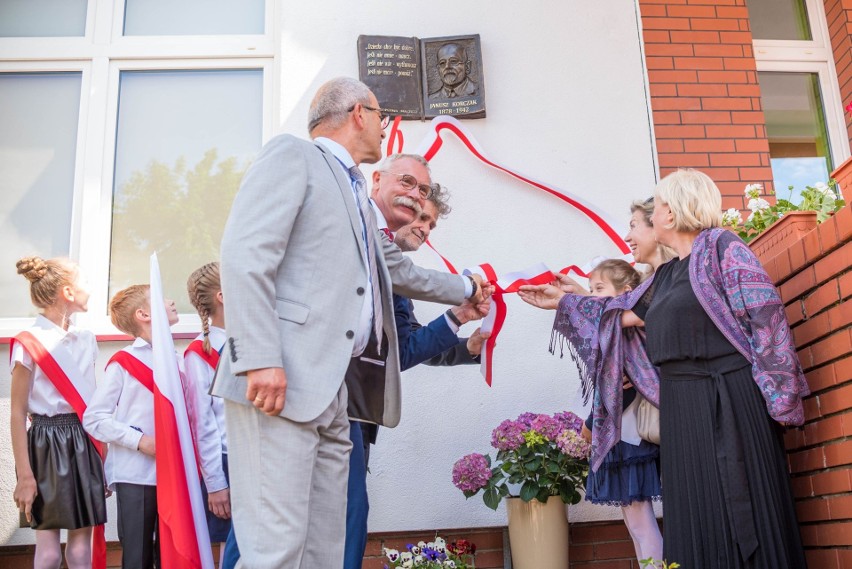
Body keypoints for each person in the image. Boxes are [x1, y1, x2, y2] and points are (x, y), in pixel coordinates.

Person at [212, 77, 489, 569]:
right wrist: (258, 358)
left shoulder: (356, 190)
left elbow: (398, 271)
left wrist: (470, 287)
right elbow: (243, 254)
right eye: (382, 116)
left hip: (335, 394)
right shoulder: (293, 156)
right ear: (359, 113)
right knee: (275, 546)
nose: (385, 128)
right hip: (280, 382)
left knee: (324, 544)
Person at [519, 169, 809, 568]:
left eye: (654, 208)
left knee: (742, 500)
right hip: (683, 407)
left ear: (671, 213)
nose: (650, 216)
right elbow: (618, 314)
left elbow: (766, 316)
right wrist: (561, 302)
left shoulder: (724, 247)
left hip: (731, 401)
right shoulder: (667, 275)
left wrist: (781, 397)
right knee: (696, 506)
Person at [343, 167, 490, 569]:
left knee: (347, 515)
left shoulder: (398, 281)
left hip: (357, 413)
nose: (424, 228)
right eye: (422, 216)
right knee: (346, 514)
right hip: (331, 404)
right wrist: (462, 301)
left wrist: (465, 340)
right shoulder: (363, 239)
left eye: (430, 223)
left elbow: (404, 348)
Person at [9, 256, 106, 569]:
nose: (90, 289)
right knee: (49, 553)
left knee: (81, 551)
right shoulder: (28, 342)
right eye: (85, 283)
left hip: (82, 438)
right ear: (67, 291)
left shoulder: (87, 339)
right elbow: (17, 411)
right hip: (44, 443)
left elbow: (90, 402)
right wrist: (25, 476)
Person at [579, 259, 663, 564]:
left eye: (599, 288)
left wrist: (591, 426)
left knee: (640, 522)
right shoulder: (615, 331)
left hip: (628, 437)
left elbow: (621, 390)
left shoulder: (623, 335)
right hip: (622, 436)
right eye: (589, 289)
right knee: (635, 522)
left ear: (625, 292)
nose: (591, 295)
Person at [184, 262, 233, 565]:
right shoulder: (201, 353)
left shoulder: (251, 339)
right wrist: (215, 484)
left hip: (264, 456)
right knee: (233, 545)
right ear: (223, 295)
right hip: (228, 462)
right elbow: (203, 424)